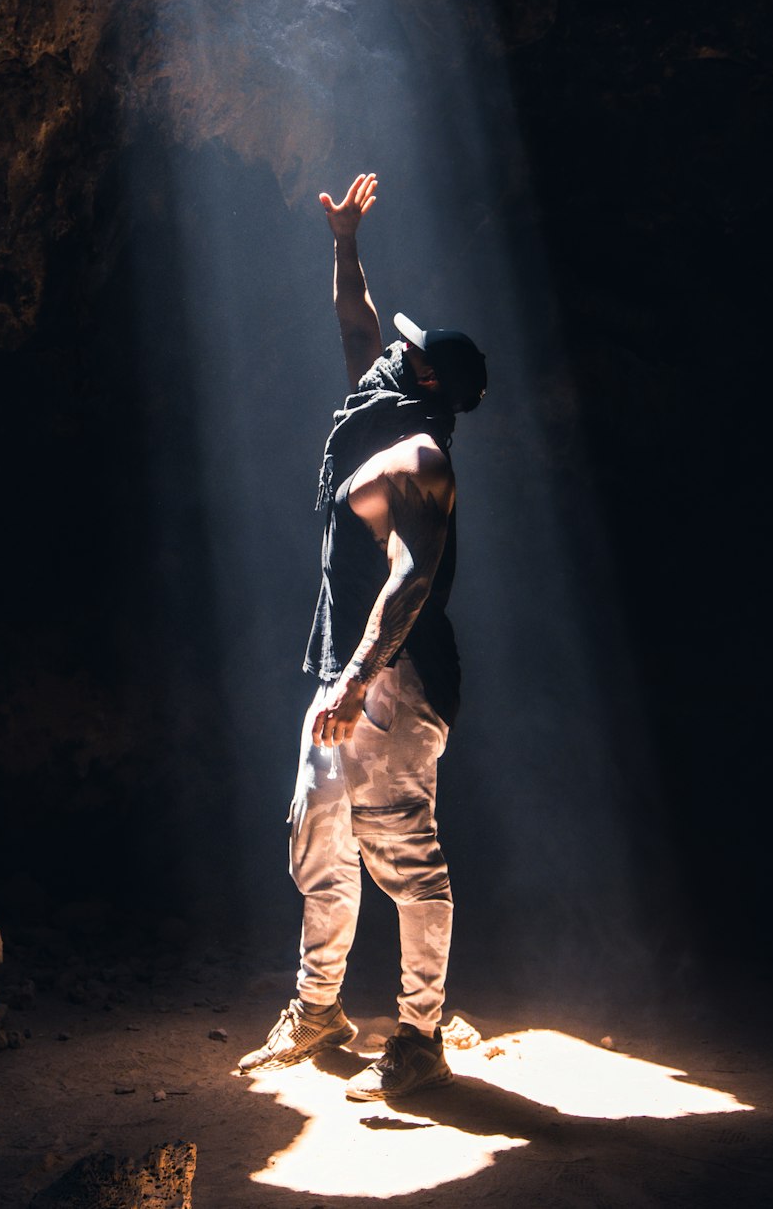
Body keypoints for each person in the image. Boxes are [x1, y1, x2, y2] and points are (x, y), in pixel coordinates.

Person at [238, 171, 487, 1101]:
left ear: (426, 380)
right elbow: (356, 325)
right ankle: (318, 1009)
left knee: (404, 852)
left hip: (397, 679)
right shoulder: (374, 417)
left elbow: (413, 576)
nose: (390, 348)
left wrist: (355, 684)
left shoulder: (419, 455)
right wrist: (345, 242)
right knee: (318, 838)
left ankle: (420, 1035)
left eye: (407, 350)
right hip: (345, 668)